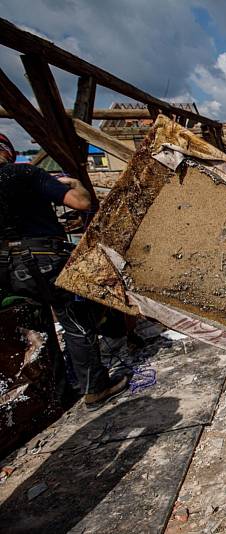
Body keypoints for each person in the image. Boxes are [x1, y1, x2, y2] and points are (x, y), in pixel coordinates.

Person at [0, 133, 129, 411]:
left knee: (38, 332)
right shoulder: (23, 173)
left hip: (6, 270)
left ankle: (56, 395)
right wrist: (74, 184)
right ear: (7, 152)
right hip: (42, 258)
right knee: (75, 320)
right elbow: (81, 203)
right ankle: (95, 388)